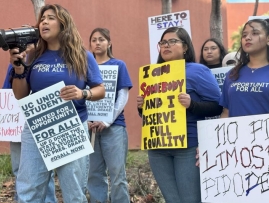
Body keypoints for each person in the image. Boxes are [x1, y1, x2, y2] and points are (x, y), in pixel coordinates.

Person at [9, 4, 105, 203]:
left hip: (71, 126)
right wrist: (18, 67)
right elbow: (21, 96)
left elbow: (100, 90)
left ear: (63, 24)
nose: (44, 21)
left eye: (50, 18)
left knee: (74, 193)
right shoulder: (33, 56)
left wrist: (83, 93)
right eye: (42, 18)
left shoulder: (82, 55)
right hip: (37, 127)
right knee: (29, 191)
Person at [136, 27, 221, 203]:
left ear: (185, 47)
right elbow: (151, 114)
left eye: (172, 41)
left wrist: (192, 105)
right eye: (163, 42)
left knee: (190, 199)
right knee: (172, 200)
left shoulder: (198, 71)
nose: (166, 45)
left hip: (188, 147)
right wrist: (142, 108)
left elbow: (217, 106)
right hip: (157, 147)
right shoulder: (151, 74)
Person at [0, 63, 57, 203]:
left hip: (40, 123)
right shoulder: (14, 64)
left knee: (44, 171)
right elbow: (7, 91)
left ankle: (48, 200)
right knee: (19, 169)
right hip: (16, 125)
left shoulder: (45, 61)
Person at [87, 28, 132, 203]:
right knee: (93, 174)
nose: (97, 43)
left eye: (102, 39)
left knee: (117, 174)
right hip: (90, 128)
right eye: (94, 40)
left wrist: (107, 120)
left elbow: (123, 95)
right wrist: (88, 120)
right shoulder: (85, 67)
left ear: (109, 43)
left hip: (114, 127)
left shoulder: (119, 65)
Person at [220, 18, 269, 118]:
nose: (248, 38)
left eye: (255, 33)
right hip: (235, 133)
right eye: (244, 35)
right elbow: (226, 112)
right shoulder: (232, 74)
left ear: (268, 38)